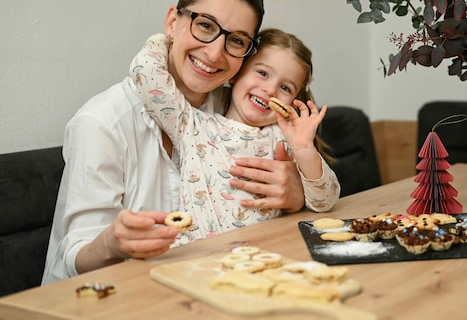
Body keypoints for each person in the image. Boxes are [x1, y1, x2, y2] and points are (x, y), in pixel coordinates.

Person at [42, 0, 306, 285]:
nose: (214, 52)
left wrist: (296, 194)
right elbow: (75, 257)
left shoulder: (238, 111)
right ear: (172, 22)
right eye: (205, 25)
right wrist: (112, 243)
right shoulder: (102, 122)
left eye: (235, 40)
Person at [132, 28, 340, 245]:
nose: (270, 90)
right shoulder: (192, 125)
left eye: (285, 87)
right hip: (197, 256)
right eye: (262, 73)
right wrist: (169, 37)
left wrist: (304, 148)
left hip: (265, 254)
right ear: (237, 72)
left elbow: (325, 202)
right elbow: (146, 73)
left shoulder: (284, 140)